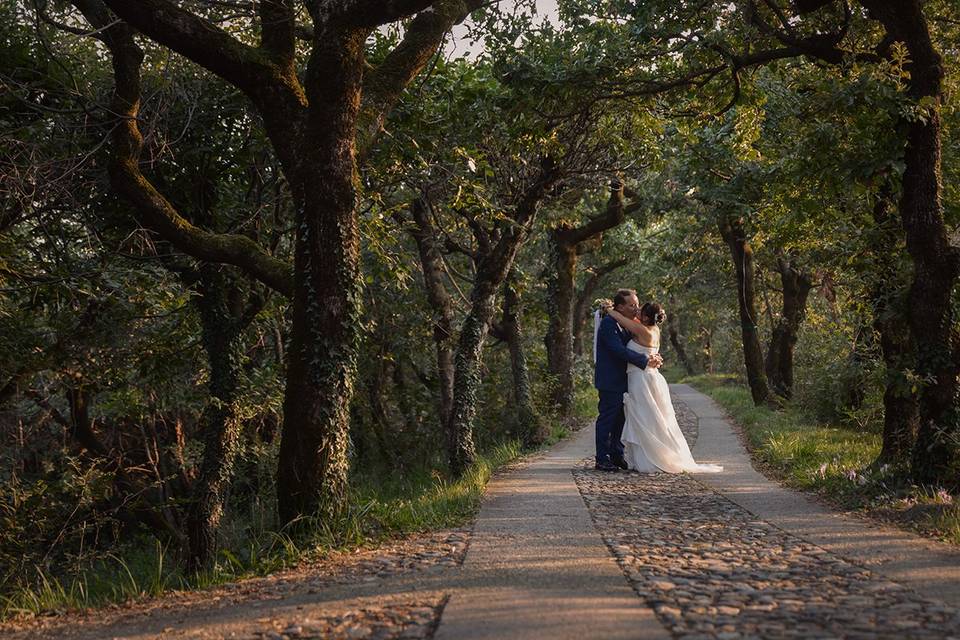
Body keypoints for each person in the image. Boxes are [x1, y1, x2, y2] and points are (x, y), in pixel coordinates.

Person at [606, 302, 723, 474]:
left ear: (646, 317)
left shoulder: (643, 330)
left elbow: (619, 317)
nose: (637, 311)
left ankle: (651, 459)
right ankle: (646, 457)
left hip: (641, 380)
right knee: (650, 417)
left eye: (640, 310)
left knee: (645, 417)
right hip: (647, 377)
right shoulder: (653, 329)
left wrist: (607, 308)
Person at [593, 289, 663, 471]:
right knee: (607, 420)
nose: (636, 308)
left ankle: (617, 454)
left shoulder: (628, 324)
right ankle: (602, 458)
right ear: (620, 307)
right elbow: (619, 351)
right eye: (632, 305)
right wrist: (646, 360)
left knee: (621, 420)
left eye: (637, 305)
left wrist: (652, 355)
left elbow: (643, 343)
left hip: (627, 380)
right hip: (610, 380)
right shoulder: (609, 324)